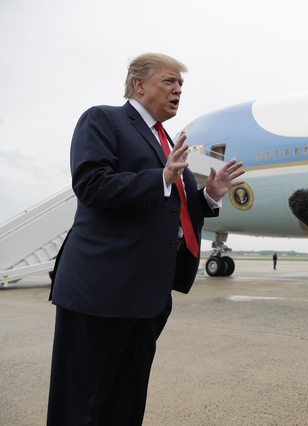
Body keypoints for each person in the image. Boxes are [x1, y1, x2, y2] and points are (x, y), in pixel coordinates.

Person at [46, 53, 245, 426]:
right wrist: (162, 178)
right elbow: (91, 184)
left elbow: (173, 212)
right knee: (82, 401)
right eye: (169, 82)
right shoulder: (104, 119)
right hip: (102, 288)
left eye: (181, 85)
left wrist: (209, 196)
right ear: (139, 84)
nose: (178, 90)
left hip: (148, 293)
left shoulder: (168, 140)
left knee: (127, 398)